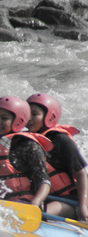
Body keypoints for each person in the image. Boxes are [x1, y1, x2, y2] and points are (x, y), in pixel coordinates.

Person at [0, 96, 52, 207]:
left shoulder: (28, 145)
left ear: (19, 121)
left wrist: (35, 204)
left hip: (24, 204)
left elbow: (44, 182)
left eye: (4, 118)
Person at [26, 93, 88, 221]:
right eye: (26, 114)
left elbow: (81, 175)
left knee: (39, 214)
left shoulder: (61, 140)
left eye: (35, 114)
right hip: (45, 198)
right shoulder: (24, 141)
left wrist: (83, 206)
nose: (29, 119)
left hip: (71, 200)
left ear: (49, 117)